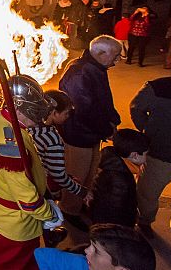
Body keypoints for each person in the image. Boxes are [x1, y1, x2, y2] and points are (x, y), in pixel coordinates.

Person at [0, 75, 62, 270]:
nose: (39, 117)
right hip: (14, 220)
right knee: (7, 263)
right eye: (33, 111)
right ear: (18, 108)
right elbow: (28, 202)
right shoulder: (11, 149)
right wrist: (49, 215)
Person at [58, 35, 122, 230]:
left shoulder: (96, 68)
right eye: (116, 56)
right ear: (101, 53)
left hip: (92, 134)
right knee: (77, 174)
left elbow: (102, 101)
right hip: (78, 135)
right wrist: (106, 129)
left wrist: (113, 120)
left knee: (90, 172)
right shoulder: (80, 72)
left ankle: (79, 203)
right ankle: (69, 210)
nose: (117, 61)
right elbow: (85, 110)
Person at [130, 51, 171, 243]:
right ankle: (144, 221)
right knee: (148, 192)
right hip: (161, 154)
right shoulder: (158, 88)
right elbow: (136, 108)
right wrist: (149, 133)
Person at [28, 90, 87, 200]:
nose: (68, 116)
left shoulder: (29, 125)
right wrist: (81, 191)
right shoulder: (52, 139)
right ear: (54, 112)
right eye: (66, 113)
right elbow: (58, 176)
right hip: (42, 188)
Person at [88, 128, 148, 228]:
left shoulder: (112, 162)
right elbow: (117, 210)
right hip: (112, 225)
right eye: (146, 154)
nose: (146, 159)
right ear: (135, 155)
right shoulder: (120, 179)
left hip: (102, 218)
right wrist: (130, 223)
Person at [33, 223, 156, 270]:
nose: (86, 250)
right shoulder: (80, 263)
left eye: (96, 251)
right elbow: (41, 255)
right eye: (91, 245)